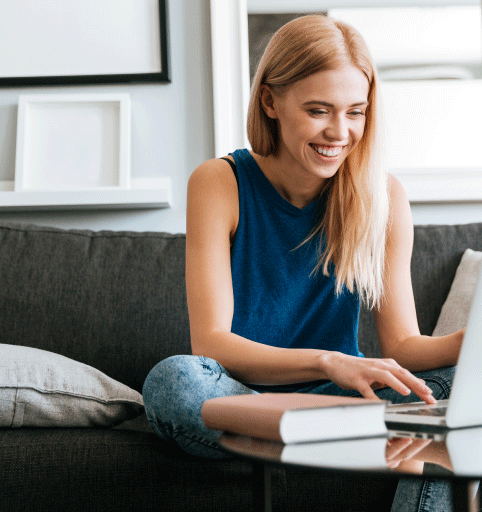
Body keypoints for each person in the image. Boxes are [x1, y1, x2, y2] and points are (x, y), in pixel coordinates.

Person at [143, 14, 464, 512]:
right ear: (271, 101)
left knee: (456, 395)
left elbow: (403, 346)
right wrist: (328, 361)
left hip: (348, 404)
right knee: (172, 383)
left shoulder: (383, 196)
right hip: (249, 395)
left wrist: (472, 342)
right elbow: (212, 344)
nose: (340, 132)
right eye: (319, 111)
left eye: (355, 112)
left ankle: (342, 439)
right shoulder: (218, 183)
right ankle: (375, 443)